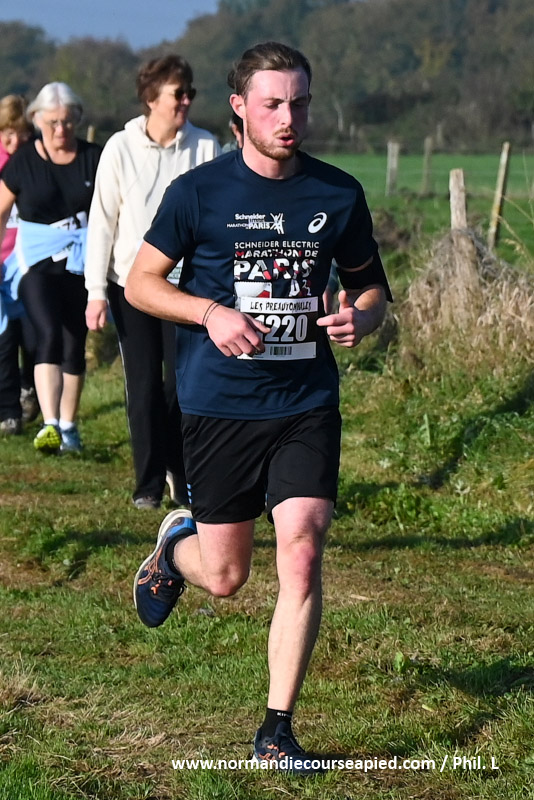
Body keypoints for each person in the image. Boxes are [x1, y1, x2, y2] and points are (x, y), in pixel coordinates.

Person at [126, 42, 392, 772]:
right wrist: (209, 313)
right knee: (226, 577)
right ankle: (174, 548)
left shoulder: (337, 194)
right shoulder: (199, 193)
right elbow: (142, 284)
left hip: (305, 400)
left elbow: (371, 288)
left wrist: (363, 318)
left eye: (299, 102)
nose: (289, 118)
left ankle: (276, 730)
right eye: (273, 103)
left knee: (302, 548)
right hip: (220, 403)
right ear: (240, 107)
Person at [84, 55, 221, 510]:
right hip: (132, 285)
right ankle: (147, 483)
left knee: (181, 386)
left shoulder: (205, 146)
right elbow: (102, 223)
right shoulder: (119, 149)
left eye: (190, 93)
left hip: (187, 287)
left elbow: (218, 217)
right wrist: (95, 293)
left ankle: (180, 472)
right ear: (150, 99)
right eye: (178, 94)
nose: (186, 101)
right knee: (142, 386)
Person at [0, 83, 101, 453]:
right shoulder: (24, 161)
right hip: (35, 263)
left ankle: (69, 427)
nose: (60, 130)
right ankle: (50, 424)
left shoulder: (94, 157)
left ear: (77, 120)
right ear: (38, 120)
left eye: (67, 122)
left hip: (81, 261)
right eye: (53, 122)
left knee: (75, 342)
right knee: (48, 334)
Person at [0, 95, 38, 435]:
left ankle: (31, 388)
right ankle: (8, 410)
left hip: (26, 262)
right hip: (0, 261)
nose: (14, 141)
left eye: (21, 134)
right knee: (4, 337)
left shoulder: (35, 161)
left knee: (33, 334)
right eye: (7, 134)